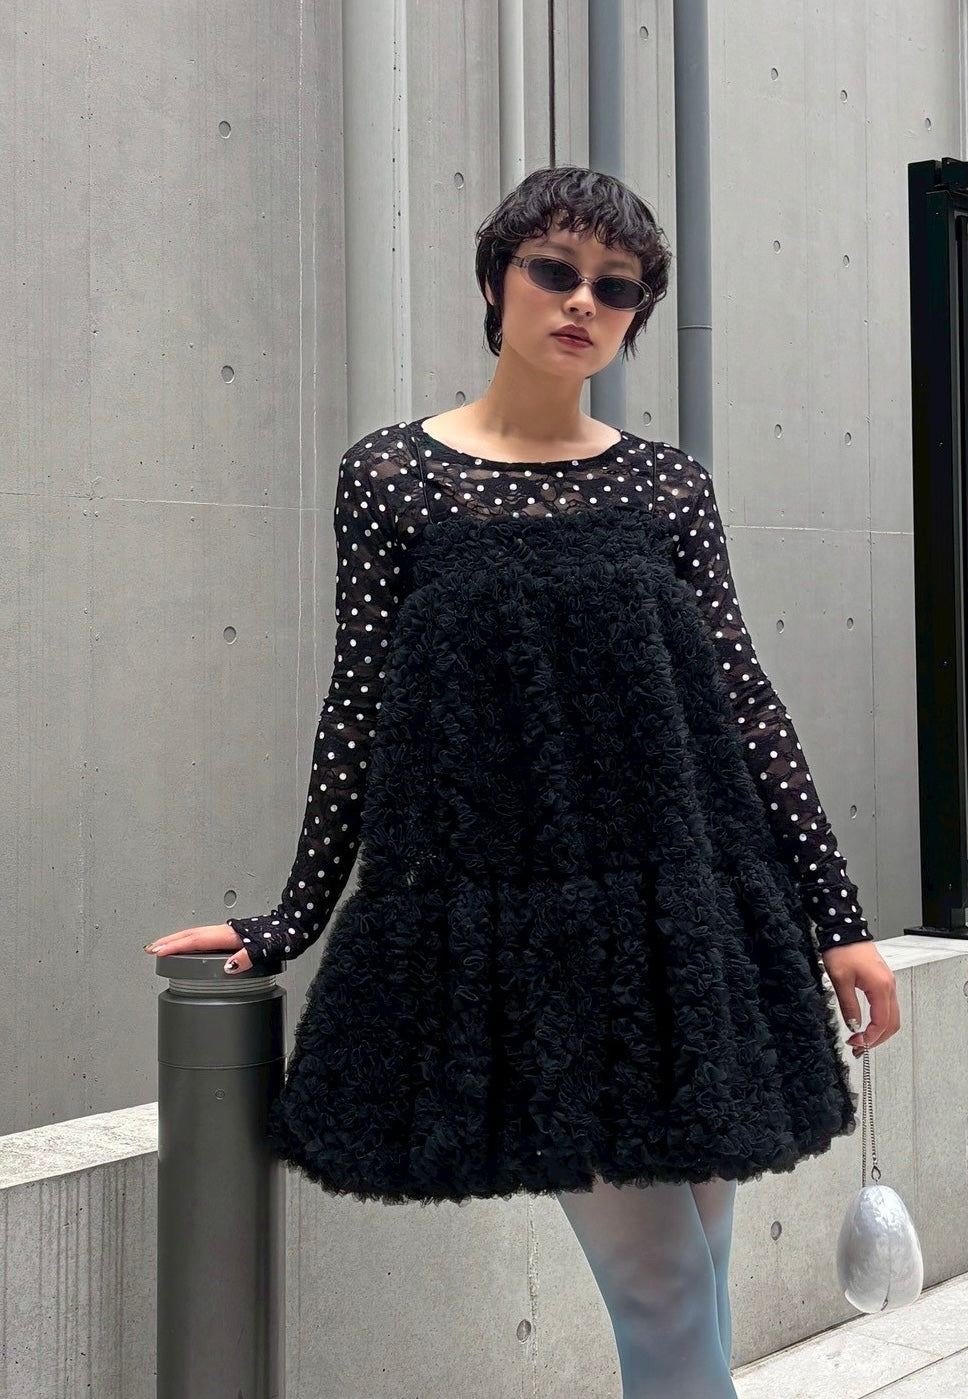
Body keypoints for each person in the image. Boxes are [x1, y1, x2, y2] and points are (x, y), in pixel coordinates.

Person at [146, 165, 899, 1398]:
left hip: (685, 918)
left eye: (618, 287)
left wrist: (838, 918)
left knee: (698, 1271)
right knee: (663, 1285)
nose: (582, 301)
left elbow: (745, 701)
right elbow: (360, 707)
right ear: (497, 280)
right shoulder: (395, 478)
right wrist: (292, 917)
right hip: (533, 937)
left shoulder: (667, 487)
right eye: (555, 270)